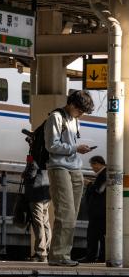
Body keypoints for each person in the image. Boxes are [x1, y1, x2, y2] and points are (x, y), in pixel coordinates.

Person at [46, 90, 95, 267]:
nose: (81, 114)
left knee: (72, 216)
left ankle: (64, 254)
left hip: (75, 169)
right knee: (65, 213)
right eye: (80, 110)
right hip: (59, 167)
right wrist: (75, 148)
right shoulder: (56, 117)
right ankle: (58, 255)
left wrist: (77, 150)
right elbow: (52, 145)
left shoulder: (75, 120)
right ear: (72, 105)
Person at [24, 158, 51, 263]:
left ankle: (41, 253)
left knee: (38, 223)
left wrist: (24, 173)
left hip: (36, 194)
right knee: (45, 223)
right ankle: (46, 250)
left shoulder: (34, 156)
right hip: (46, 194)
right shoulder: (48, 156)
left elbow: (31, 173)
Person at [81, 155, 106, 263]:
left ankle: (92, 257)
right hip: (99, 211)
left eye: (93, 165)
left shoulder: (105, 174)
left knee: (94, 235)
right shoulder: (104, 174)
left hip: (99, 212)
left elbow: (99, 190)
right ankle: (100, 257)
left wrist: (89, 183)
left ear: (98, 163)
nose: (92, 168)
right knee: (99, 235)